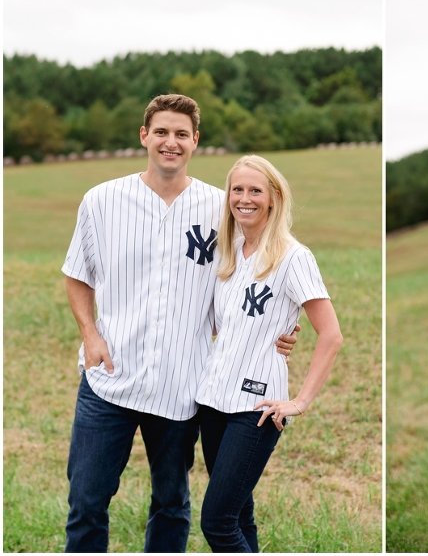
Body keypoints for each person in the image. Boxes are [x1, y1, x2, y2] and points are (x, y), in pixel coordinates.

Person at [62, 94, 297, 552]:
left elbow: (263, 271)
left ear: (195, 142)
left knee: (171, 502)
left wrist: (281, 329)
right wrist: (90, 335)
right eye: (162, 132)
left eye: (182, 134)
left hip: (183, 384)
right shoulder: (102, 201)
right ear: (145, 136)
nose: (171, 142)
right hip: (109, 379)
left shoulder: (222, 208)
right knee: (86, 500)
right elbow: (76, 274)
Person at [194, 155, 343, 551]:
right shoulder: (230, 251)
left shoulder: (293, 257)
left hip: (256, 409)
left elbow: (331, 335)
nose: (245, 199)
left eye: (255, 190)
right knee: (240, 513)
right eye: (237, 190)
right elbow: (221, 326)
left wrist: (300, 402)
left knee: (217, 522)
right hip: (212, 402)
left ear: (274, 197)